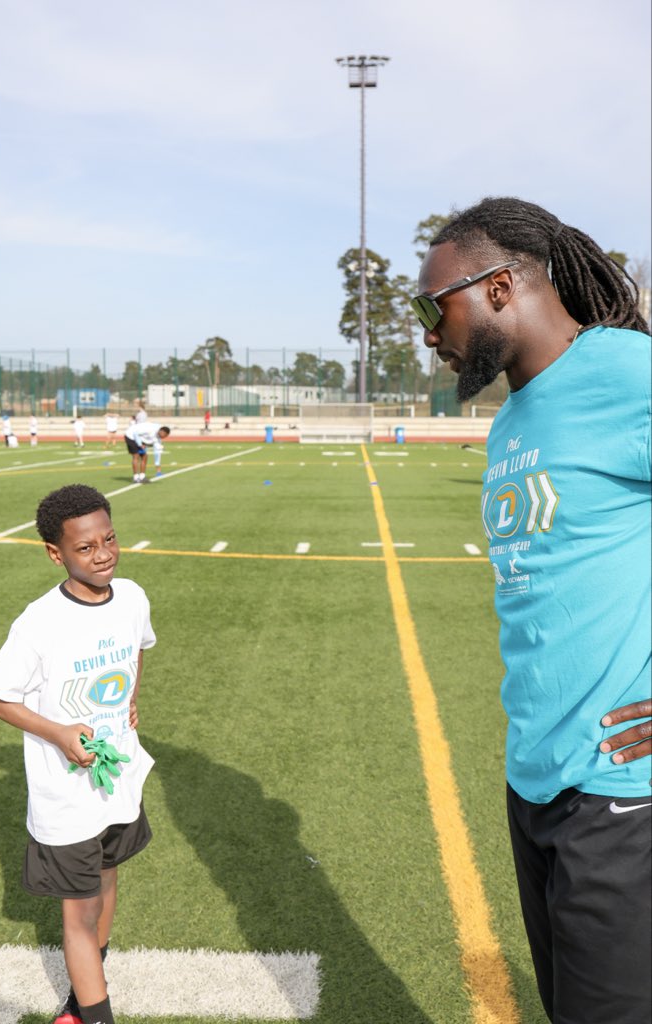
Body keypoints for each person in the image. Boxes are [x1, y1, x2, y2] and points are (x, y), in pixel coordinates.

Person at [412, 196, 651, 1024]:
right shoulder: (511, 419)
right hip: (537, 783)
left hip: (622, 794)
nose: (428, 331)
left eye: (433, 305)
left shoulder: (624, 371)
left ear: (503, 285)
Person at [0, 484, 156, 1024]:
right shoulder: (40, 622)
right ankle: (94, 1013)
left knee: (106, 877)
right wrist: (57, 733)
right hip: (67, 798)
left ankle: (82, 995)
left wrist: (130, 700)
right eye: (85, 548)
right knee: (77, 914)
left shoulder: (133, 596)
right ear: (56, 554)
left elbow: (138, 650)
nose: (102, 553)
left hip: (117, 781)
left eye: (109, 539)